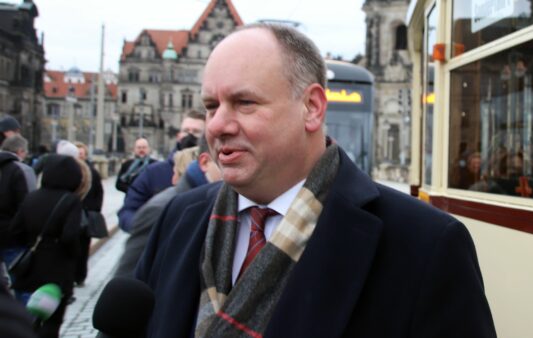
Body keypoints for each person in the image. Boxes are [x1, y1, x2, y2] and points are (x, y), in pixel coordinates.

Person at [135, 24, 496, 337]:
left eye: (244, 102)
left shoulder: (427, 244)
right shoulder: (178, 216)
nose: (216, 125)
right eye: (212, 106)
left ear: (312, 108)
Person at [114, 137, 221, 278]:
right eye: (225, 156)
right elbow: (128, 278)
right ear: (204, 162)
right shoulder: (163, 208)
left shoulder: (223, 201)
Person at [9, 154, 87, 338]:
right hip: (57, 270)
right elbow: (70, 237)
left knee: (28, 318)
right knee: (52, 320)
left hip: (31, 267)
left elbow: (15, 230)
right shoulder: (71, 200)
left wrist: (32, 242)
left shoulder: (31, 198)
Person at [117, 111, 205, 232]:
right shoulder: (153, 172)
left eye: (196, 132)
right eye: (186, 131)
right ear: (179, 135)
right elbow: (128, 211)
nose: (189, 136)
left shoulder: (216, 173)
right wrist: (148, 229)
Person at [73, 142, 104, 286]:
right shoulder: (69, 171)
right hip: (72, 214)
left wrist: (94, 210)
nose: (80, 156)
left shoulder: (92, 172)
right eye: (77, 153)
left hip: (86, 214)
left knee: (84, 247)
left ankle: (80, 276)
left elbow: (99, 192)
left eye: (81, 153)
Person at [0, 140, 29, 291]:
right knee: (19, 279)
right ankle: (21, 313)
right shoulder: (17, 170)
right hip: (11, 234)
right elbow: (23, 204)